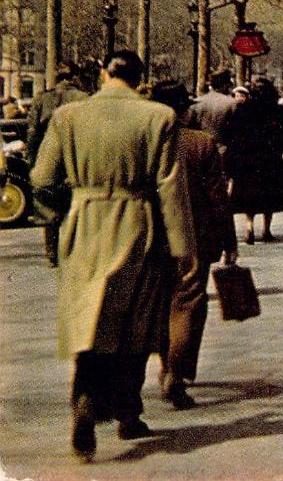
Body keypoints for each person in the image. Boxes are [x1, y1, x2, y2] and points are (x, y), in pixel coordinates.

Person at [31, 51, 194, 461]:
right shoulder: (158, 117)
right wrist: (182, 247)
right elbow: (170, 188)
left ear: (103, 73)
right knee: (136, 325)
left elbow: (40, 178)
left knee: (89, 321)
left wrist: (61, 215)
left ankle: (84, 400)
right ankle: (127, 411)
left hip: (84, 225)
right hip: (138, 225)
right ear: (139, 79)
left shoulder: (68, 117)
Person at [149, 80, 237, 411]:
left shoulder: (146, 143)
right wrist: (228, 239)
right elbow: (218, 197)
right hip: (195, 236)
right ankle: (177, 372)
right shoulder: (202, 144)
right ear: (185, 111)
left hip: (150, 235)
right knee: (187, 303)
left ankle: (162, 365)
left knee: (158, 304)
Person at [26, 62, 89, 265]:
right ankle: (74, 251)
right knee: (75, 202)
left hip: (49, 154)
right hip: (76, 155)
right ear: (75, 77)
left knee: (48, 205)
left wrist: (33, 160)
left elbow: (33, 132)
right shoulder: (84, 98)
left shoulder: (42, 98)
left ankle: (52, 252)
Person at [223, 77, 283, 244]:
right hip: (271, 159)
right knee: (269, 196)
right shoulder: (280, 111)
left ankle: (249, 228)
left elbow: (233, 136)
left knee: (249, 196)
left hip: (248, 159)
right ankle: (266, 230)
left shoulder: (242, 110)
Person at [186, 69, 236, 144]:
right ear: (226, 85)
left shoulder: (196, 102)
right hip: (224, 148)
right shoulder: (232, 103)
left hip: (201, 147)